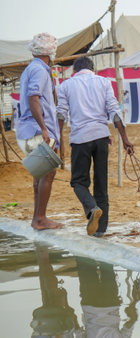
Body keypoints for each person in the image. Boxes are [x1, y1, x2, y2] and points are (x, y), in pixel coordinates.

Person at [56, 56, 134, 237]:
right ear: (93, 69)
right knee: (101, 183)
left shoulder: (66, 85)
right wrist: (125, 138)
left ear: (74, 71)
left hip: (80, 139)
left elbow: (61, 114)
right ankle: (100, 231)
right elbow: (114, 111)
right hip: (101, 137)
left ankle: (92, 208)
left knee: (78, 182)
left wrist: (57, 140)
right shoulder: (104, 82)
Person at [15, 32, 63, 231]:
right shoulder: (40, 70)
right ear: (50, 52)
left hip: (26, 129)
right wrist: (44, 128)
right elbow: (33, 98)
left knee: (41, 174)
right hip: (36, 129)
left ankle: (38, 217)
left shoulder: (30, 68)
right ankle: (40, 218)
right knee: (48, 172)